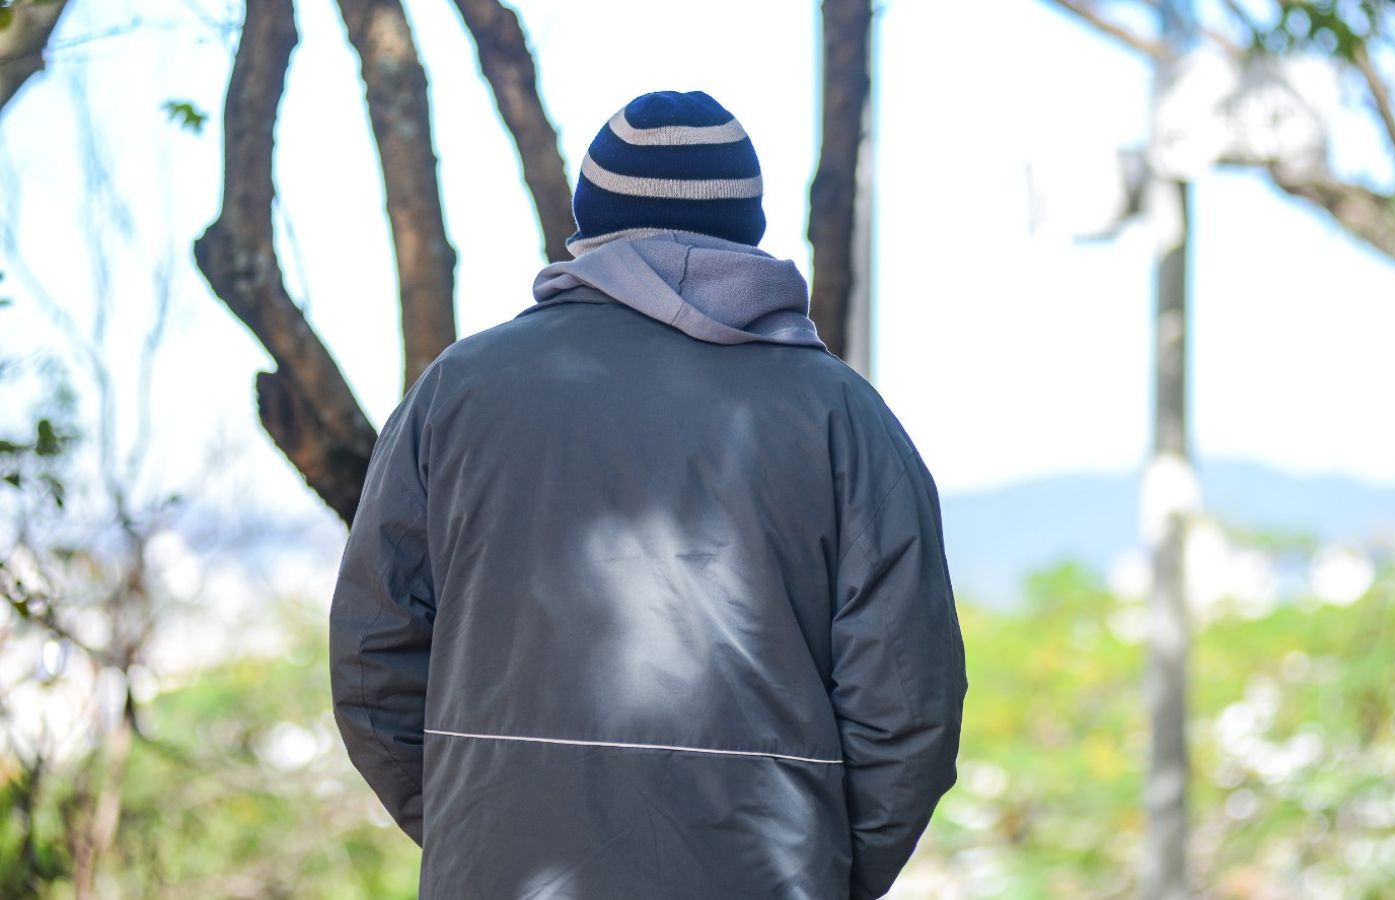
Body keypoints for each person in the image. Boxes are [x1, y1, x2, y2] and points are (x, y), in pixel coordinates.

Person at [329, 90, 966, 900]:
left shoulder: (459, 391)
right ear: (749, 231)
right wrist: (826, 868)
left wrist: (475, 821)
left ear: (589, 228)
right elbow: (909, 702)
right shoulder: (840, 412)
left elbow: (371, 654)